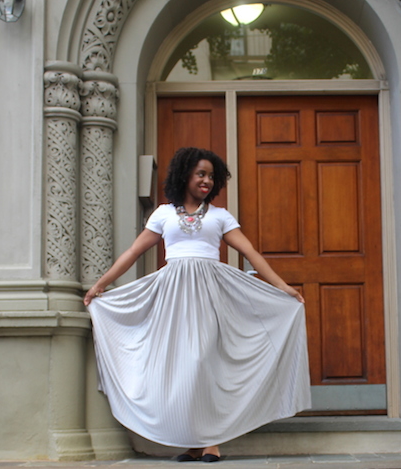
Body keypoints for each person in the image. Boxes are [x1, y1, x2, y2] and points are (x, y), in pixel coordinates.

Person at [84, 147, 311, 462]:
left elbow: (252, 253)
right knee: (181, 366)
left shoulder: (220, 216)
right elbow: (134, 252)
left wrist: (283, 287)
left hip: (208, 295)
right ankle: (192, 442)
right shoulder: (163, 213)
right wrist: (100, 285)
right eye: (200, 174)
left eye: (211, 176)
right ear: (185, 175)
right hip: (173, 297)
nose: (206, 180)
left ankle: (211, 442)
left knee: (203, 361)